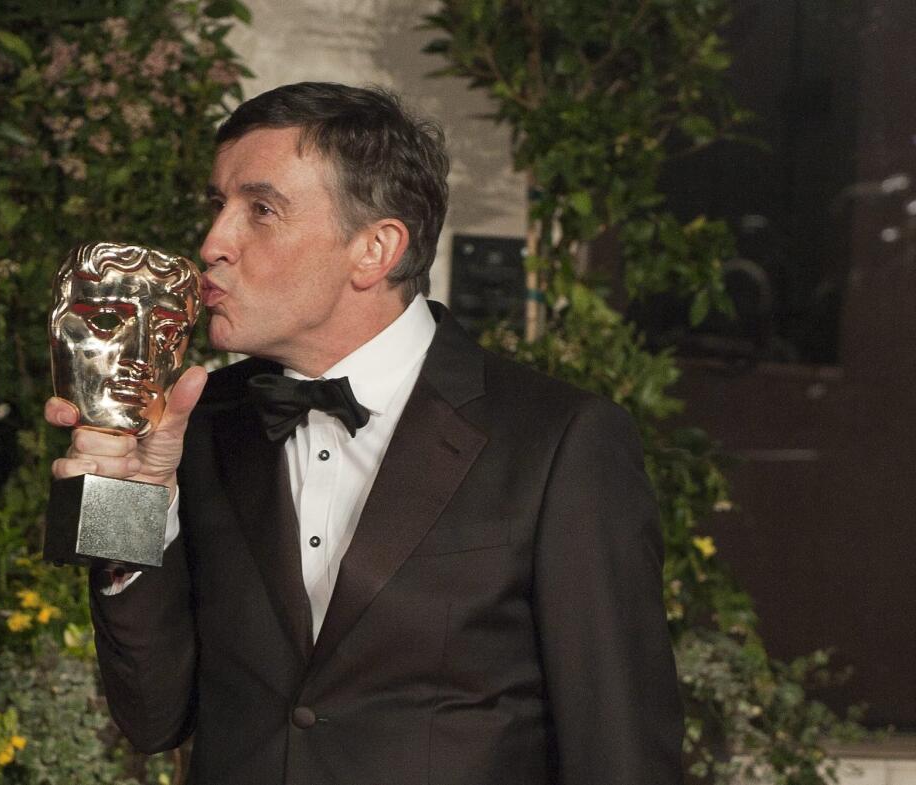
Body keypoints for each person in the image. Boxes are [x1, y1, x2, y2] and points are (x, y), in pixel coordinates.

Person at [45, 82, 683, 785]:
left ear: (375, 249)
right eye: (217, 206)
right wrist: (123, 501)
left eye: (260, 210)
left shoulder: (560, 441)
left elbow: (621, 752)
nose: (212, 245)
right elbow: (152, 716)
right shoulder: (196, 422)